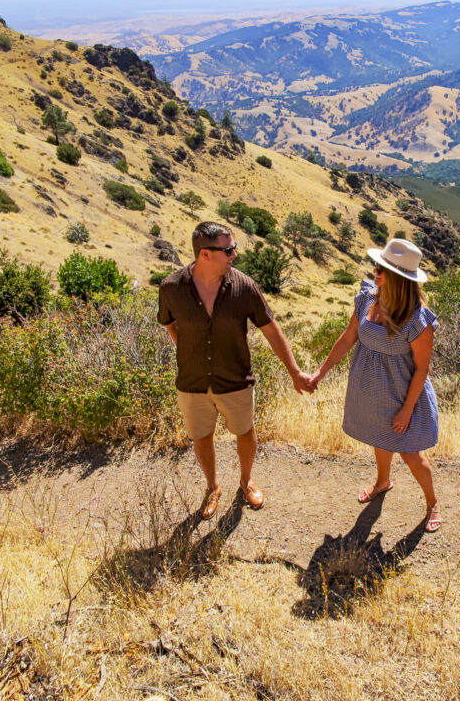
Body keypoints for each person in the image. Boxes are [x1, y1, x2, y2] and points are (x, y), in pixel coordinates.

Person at [158, 221, 313, 519]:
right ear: (205, 254)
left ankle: (246, 480)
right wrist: (188, 349)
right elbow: (169, 323)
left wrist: (294, 372)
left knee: (245, 432)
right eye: (228, 250)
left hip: (236, 379)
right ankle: (212, 487)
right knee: (201, 436)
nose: (234, 255)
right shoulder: (171, 288)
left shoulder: (244, 287)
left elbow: (271, 330)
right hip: (191, 382)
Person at [311, 238, 441, 532]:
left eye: (381, 269)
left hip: (404, 394)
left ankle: (432, 502)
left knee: (411, 454)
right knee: (379, 439)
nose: (374, 272)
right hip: (371, 389)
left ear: (398, 278)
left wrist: (407, 411)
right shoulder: (367, 299)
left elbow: (422, 368)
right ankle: (383, 481)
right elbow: (347, 339)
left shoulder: (417, 318)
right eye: (376, 266)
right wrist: (320, 372)